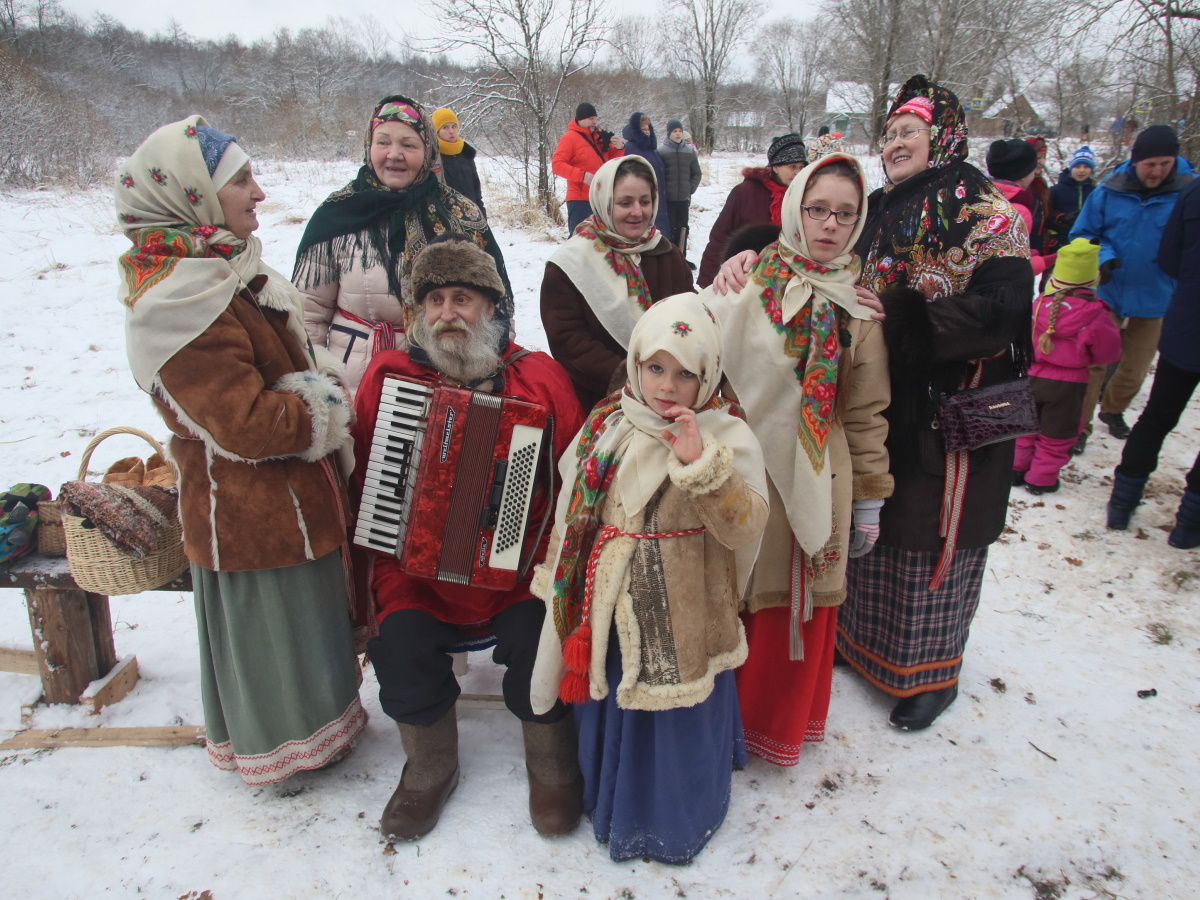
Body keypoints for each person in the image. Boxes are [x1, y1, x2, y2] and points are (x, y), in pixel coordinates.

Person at [718, 76, 1035, 731]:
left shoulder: (987, 215)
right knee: (873, 535)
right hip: (871, 397)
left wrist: (903, 317)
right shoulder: (880, 206)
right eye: (888, 133)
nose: (894, 143)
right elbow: (815, 248)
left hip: (946, 413)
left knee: (928, 540)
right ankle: (859, 645)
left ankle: (931, 674)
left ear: (944, 136)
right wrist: (748, 249)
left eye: (909, 131)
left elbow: (1003, 314)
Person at [116, 116, 366, 784]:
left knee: (305, 631)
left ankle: (325, 736)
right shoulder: (177, 301)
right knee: (273, 639)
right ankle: (281, 752)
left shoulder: (220, 268)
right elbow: (244, 424)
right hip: (246, 514)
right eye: (241, 180)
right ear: (194, 193)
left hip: (287, 501)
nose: (258, 193)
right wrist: (325, 405)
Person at [351, 236, 585, 842]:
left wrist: (545, 549)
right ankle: (429, 767)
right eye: (435, 300)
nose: (447, 313)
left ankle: (552, 763)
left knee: (538, 636)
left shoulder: (538, 377)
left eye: (463, 298)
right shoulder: (392, 375)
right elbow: (364, 469)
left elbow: (576, 479)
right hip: (412, 568)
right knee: (400, 640)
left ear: (491, 308)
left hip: (515, 570)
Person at [528, 293, 769, 864]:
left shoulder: (726, 434)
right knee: (614, 697)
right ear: (635, 362)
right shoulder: (608, 422)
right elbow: (572, 507)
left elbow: (744, 526)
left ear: (707, 377)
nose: (667, 386)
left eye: (686, 374)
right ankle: (608, 797)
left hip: (682, 621)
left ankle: (672, 816)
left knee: (672, 717)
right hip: (608, 614)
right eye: (655, 367)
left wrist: (698, 464)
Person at [705, 154, 893, 766]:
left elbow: (865, 412)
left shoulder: (859, 308)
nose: (830, 224)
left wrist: (868, 498)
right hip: (744, 470)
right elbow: (696, 366)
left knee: (794, 596)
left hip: (815, 476)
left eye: (846, 213)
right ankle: (717, 728)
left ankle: (772, 723)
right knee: (734, 592)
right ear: (794, 209)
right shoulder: (744, 283)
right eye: (818, 209)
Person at [294, 94, 511, 395]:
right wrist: (319, 387)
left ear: (428, 151)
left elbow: (494, 309)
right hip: (350, 382)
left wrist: (479, 382)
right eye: (383, 142)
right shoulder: (336, 216)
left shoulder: (460, 215)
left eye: (408, 145)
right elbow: (308, 314)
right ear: (369, 146)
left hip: (439, 380)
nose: (394, 154)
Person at [1068, 124, 1193, 445]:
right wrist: (1104, 256)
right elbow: (1083, 232)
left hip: (1158, 294)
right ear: (1135, 160)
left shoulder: (1188, 192)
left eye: (1165, 163)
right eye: (1150, 164)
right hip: (1109, 289)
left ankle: (1113, 409)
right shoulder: (1110, 189)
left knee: (1135, 366)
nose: (1157, 171)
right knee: (1093, 362)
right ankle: (1080, 426)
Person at [540, 155, 694, 410]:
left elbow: (691, 314)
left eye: (645, 201)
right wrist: (631, 379)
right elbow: (568, 340)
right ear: (605, 202)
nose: (638, 212)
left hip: (671, 395)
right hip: (602, 400)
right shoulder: (570, 263)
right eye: (625, 203)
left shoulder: (666, 253)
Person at [1107, 175, 1200, 548]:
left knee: (1157, 415)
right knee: (1157, 415)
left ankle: (1121, 503)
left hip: (1188, 320)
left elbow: (1170, 258)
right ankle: (1189, 525)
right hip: (1186, 320)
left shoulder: (1191, 192)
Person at [1014, 239, 1121, 495]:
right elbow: (1108, 352)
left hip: (1030, 376)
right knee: (1056, 435)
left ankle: (1015, 469)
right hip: (1068, 385)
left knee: (1025, 428)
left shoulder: (1037, 305)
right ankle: (1041, 479)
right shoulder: (1095, 314)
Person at [697, 133, 807, 287]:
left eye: (801, 167)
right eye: (792, 167)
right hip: (744, 275)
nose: (798, 172)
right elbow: (720, 236)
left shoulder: (804, 197)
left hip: (787, 280)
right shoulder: (746, 192)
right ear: (775, 167)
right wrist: (708, 281)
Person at [552, 102, 626, 235]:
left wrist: (620, 148)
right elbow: (557, 165)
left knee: (604, 238)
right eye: (591, 118)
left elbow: (612, 162)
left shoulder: (600, 137)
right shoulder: (569, 138)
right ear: (581, 119)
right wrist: (582, 176)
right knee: (579, 238)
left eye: (595, 118)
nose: (594, 122)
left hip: (602, 197)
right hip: (580, 198)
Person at [987, 139, 1056, 276]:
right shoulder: (1018, 210)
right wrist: (1052, 259)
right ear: (1023, 175)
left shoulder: (980, 195)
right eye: (1032, 169)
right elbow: (1013, 267)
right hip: (999, 286)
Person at [621, 112, 673, 238]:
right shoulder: (631, 148)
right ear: (636, 131)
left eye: (648, 129)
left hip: (657, 198)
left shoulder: (650, 149)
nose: (647, 132)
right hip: (643, 198)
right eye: (643, 129)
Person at [658, 118, 702, 252]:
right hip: (668, 200)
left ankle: (682, 257)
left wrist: (690, 189)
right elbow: (658, 175)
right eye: (674, 131)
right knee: (669, 228)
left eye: (680, 131)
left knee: (683, 228)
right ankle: (669, 256)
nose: (678, 134)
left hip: (683, 199)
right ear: (668, 133)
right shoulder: (661, 152)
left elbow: (697, 173)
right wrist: (663, 191)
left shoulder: (689, 152)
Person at [433, 106, 486, 215]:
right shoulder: (432, 156)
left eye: (454, 126)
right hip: (447, 216)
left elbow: (476, 189)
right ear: (436, 131)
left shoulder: (466, 152)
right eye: (445, 127)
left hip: (471, 214)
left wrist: (482, 214)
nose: (451, 131)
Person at [1046, 146, 1096, 256]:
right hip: (1060, 244)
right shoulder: (1055, 190)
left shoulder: (1095, 193)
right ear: (1071, 168)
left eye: (1086, 167)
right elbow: (1046, 214)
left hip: (1087, 245)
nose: (1081, 170)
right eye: (1077, 166)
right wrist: (1061, 217)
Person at [1024, 136, 1051, 252]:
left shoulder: (1041, 183)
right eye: (1038, 158)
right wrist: (1043, 222)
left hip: (1039, 242)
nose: (1042, 162)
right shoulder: (1022, 183)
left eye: (1044, 158)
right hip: (1024, 243)